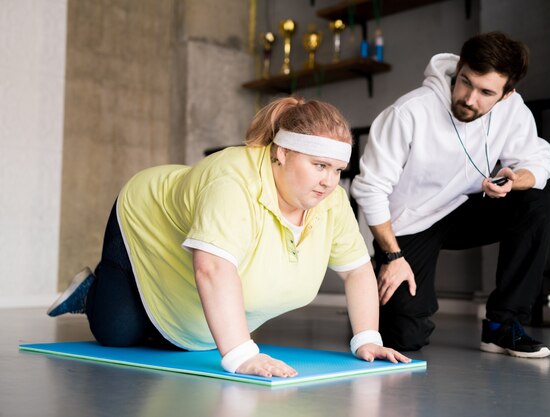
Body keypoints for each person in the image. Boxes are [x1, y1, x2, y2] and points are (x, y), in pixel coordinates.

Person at [47, 96, 410, 377]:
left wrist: (367, 340)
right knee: (118, 332)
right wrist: (242, 355)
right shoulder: (232, 180)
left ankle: (158, 313)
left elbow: (357, 270)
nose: (329, 181)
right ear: (282, 152)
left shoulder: (332, 202)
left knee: (191, 338)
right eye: (319, 165)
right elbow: (213, 271)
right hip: (146, 220)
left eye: (337, 170)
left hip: (186, 265)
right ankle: (91, 292)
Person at [351, 32, 550, 358]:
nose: (469, 99)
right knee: (403, 339)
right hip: (408, 223)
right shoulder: (410, 112)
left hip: (465, 207)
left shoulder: (513, 109)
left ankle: (503, 326)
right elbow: (370, 189)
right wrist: (391, 256)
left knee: (535, 202)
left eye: (486, 92)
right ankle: (373, 303)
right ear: (458, 69)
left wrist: (512, 181)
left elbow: (537, 163)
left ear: (506, 94)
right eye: (465, 82)